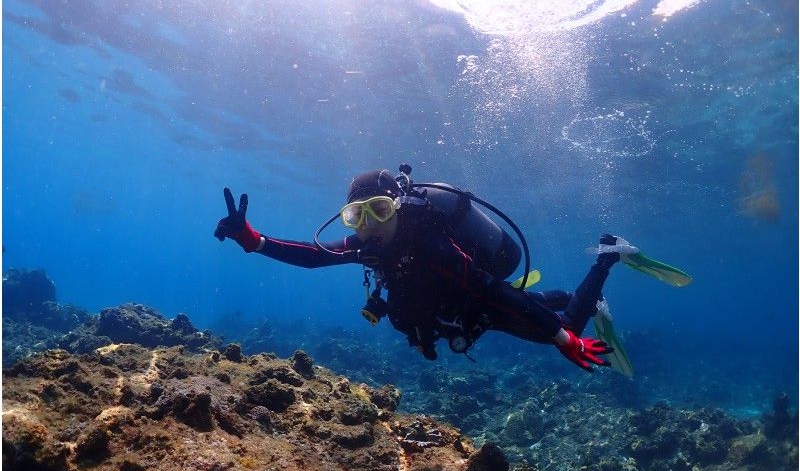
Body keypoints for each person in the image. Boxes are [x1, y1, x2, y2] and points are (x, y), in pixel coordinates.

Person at [214, 167, 642, 371]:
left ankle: (606, 256)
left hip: (481, 308)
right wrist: (253, 241)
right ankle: (563, 298)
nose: (368, 226)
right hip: (459, 318)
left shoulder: (432, 245)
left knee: (566, 323)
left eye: (379, 210)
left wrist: (564, 337)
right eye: (356, 217)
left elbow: (490, 291)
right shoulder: (370, 247)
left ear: (397, 207)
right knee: (536, 304)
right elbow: (315, 256)